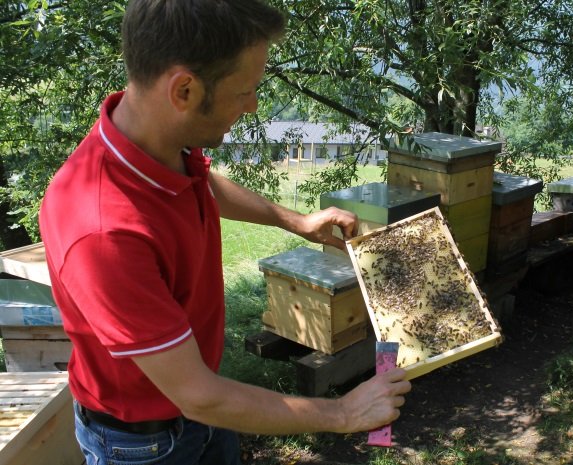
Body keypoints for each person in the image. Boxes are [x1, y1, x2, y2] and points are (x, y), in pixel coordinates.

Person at [38, 1, 412, 464]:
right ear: (185, 90)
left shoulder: (155, 138)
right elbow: (199, 395)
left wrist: (294, 221)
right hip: (145, 445)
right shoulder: (102, 234)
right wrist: (343, 412)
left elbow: (202, 182)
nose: (253, 106)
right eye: (246, 91)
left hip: (205, 408)